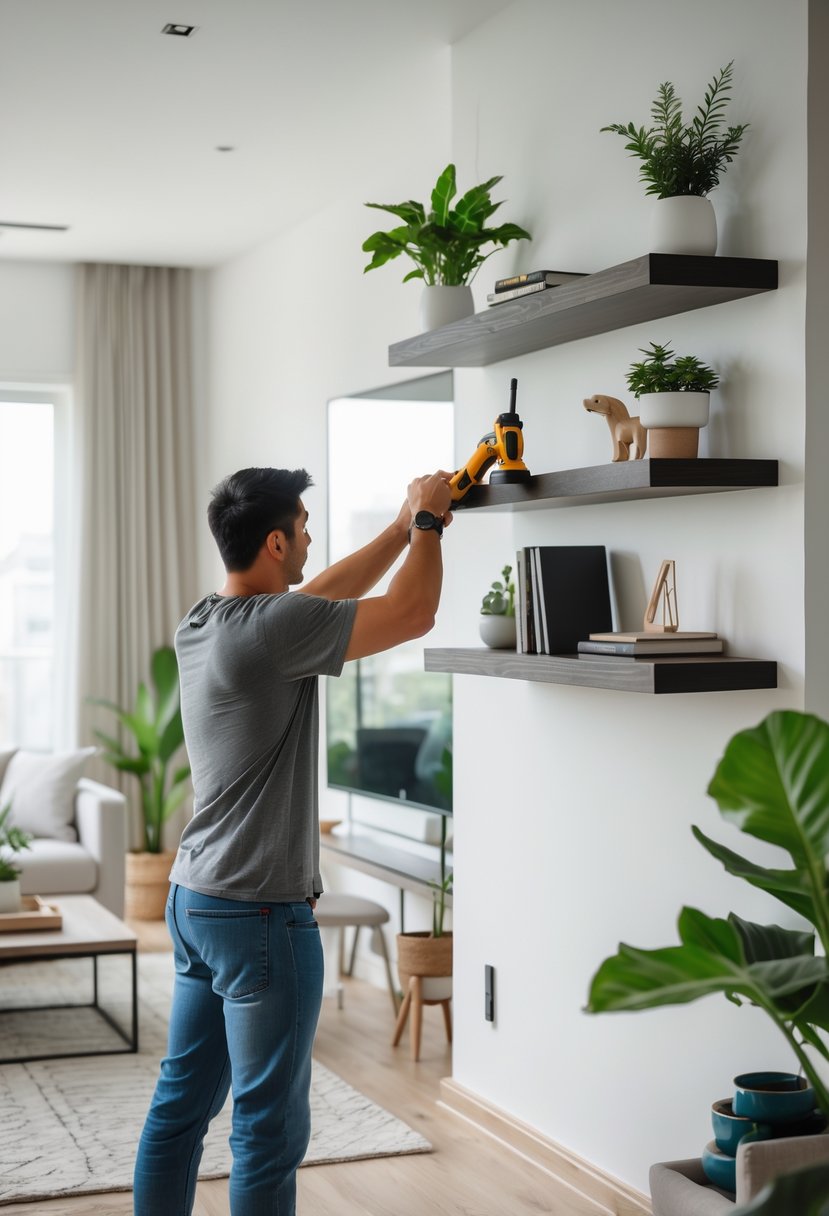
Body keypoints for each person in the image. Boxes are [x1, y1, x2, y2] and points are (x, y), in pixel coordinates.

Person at [133, 464, 452, 1216]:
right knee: (267, 1131)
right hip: (261, 917)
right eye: (303, 527)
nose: (311, 535)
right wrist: (431, 527)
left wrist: (401, 524)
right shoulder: (275, 631)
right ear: (276, 542)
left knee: (180, 1110)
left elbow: (322, 592)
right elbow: (412, 613)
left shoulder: (205, 620)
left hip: (197, 899)